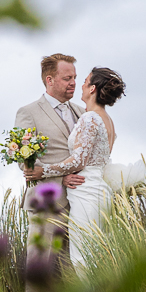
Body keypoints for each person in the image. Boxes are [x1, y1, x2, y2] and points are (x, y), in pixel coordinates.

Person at [14, 55, 86, 292]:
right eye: (67, 78)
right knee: (40, 263)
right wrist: (59, 178)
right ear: (50, 80)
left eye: (75, 77)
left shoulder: (82, 112)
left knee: (74, 266)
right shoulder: (29, 113)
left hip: (81, 201)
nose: (73, 82)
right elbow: (25, 161)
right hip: (47, 202)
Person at [44, 67, 126, 268]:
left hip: (86, 192)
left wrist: (44, 170)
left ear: (92, 89)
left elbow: (79, 161)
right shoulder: (107, 120)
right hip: (98, 190)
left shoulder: (90, 118)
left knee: (82, 258)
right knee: (96, 255)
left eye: (85, 81)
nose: (80, 84)